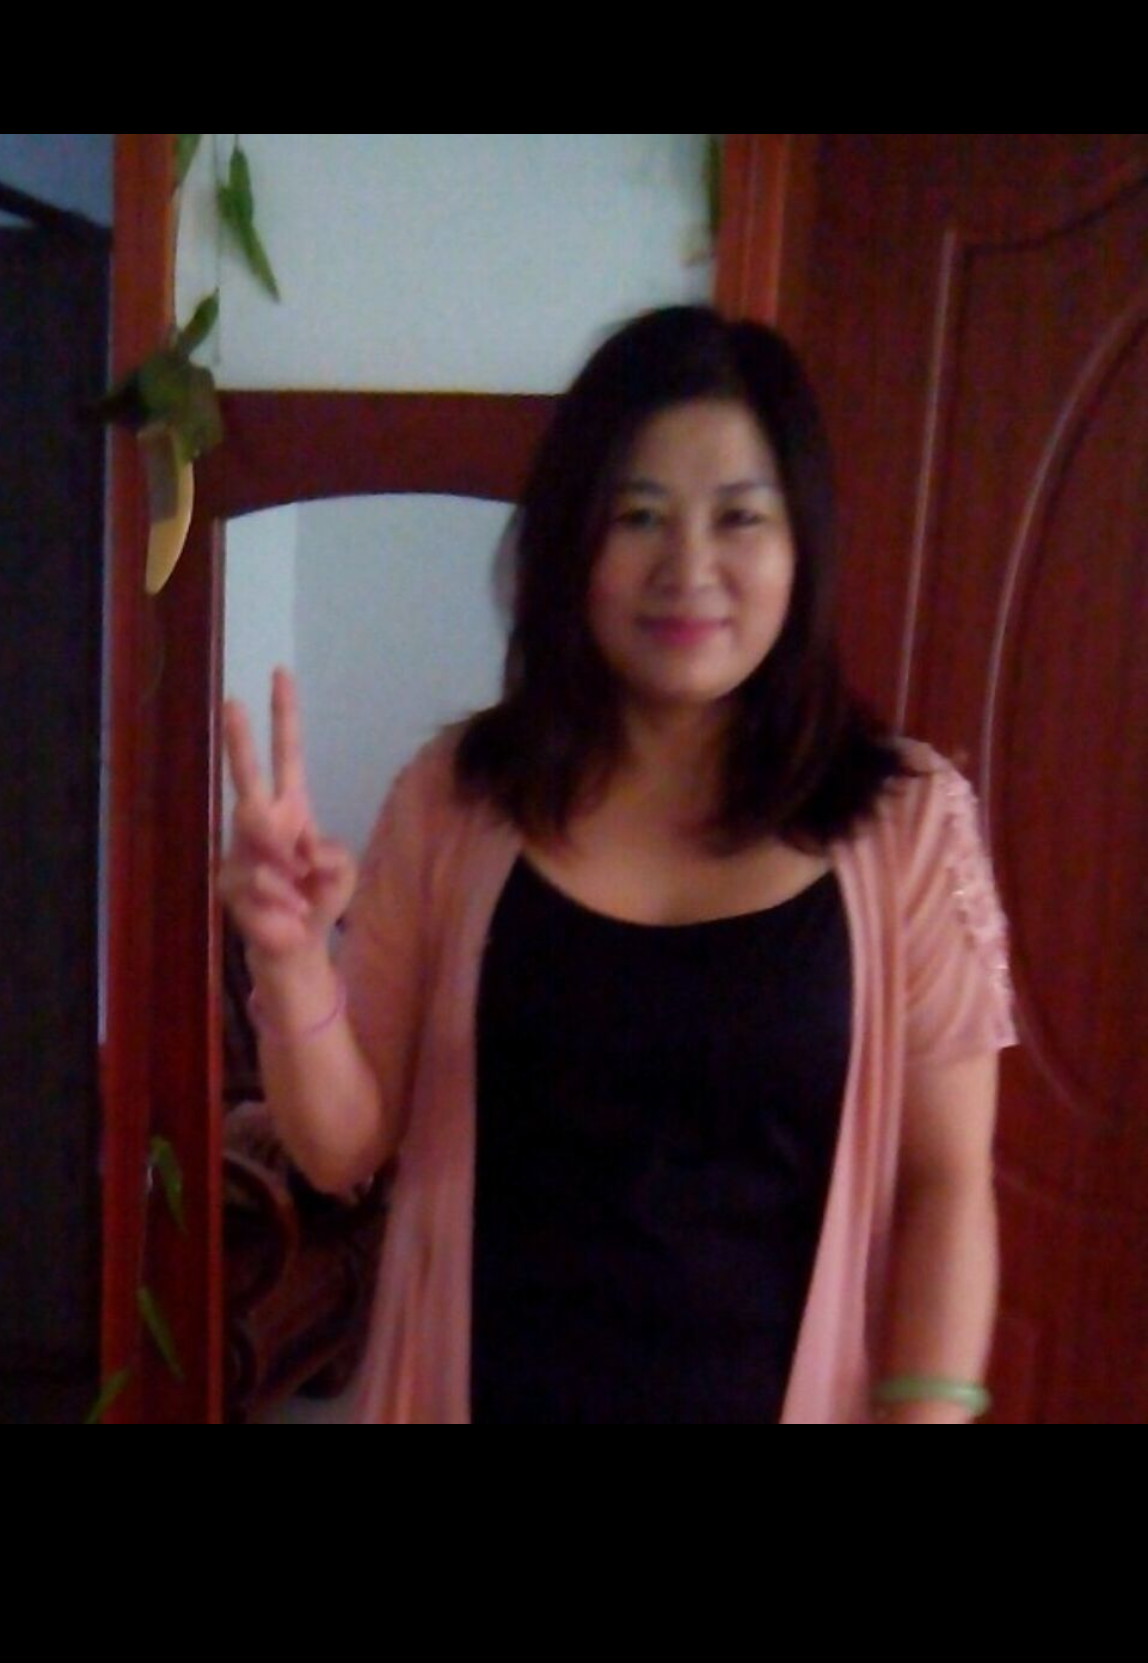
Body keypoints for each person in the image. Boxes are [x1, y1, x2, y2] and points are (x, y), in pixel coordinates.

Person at [219, 303, 1018, 1425]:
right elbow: (339, 1146)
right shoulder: (457, 799)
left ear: (802, 545)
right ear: (572, 543)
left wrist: (925, 1412)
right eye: (639, 515)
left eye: (739, 516)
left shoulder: (907, 826)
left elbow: (946, 1183)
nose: (688, 566)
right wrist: (291, 958)